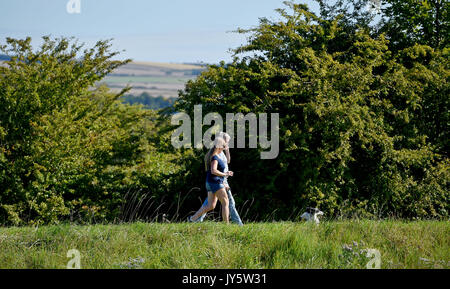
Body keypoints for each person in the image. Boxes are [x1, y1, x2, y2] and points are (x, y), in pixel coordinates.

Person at [194, 132, 243, 225]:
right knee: (227, 202)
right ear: (222, 141)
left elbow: (227, 161)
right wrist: (224, 177)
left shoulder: (220, 152)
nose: (227, 144)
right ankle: (236, 224)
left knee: (210, 204)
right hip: (219, 181)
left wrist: (227, 150)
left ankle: (194, 219)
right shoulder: (217, 154)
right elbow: (214, 170)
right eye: (227, 142)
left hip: (219, 180)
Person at [188, 136, 235, 224]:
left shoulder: (213, 156)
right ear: (219, 146)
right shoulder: (215, 157)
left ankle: (192, 219)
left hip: (210, 182)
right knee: (225, 202)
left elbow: (215, 170)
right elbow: (214, 170)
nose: (224, 148)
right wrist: (225, 174)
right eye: (223, 146)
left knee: (211, 205)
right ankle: (226, 225)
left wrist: (226, 172)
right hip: (215, 182)